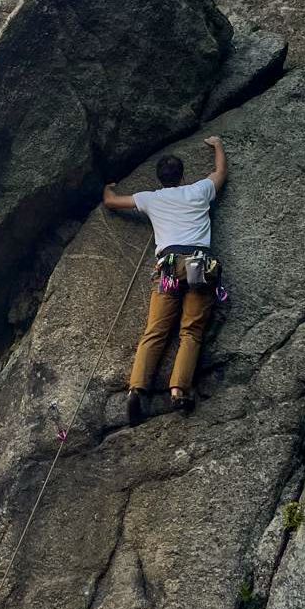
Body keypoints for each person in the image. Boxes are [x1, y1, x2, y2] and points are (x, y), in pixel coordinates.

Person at [103, 135, 227, 411]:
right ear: (182, 176)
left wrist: (107, 187)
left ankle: (137, 389)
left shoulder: (150, 199)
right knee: (191, 331)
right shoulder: (199, 191)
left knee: (156, 329)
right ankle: (178, 390)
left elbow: (111, 202)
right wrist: (218, 145)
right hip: (197, 265)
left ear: (160, 178)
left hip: (168, 268)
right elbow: (220, 172)